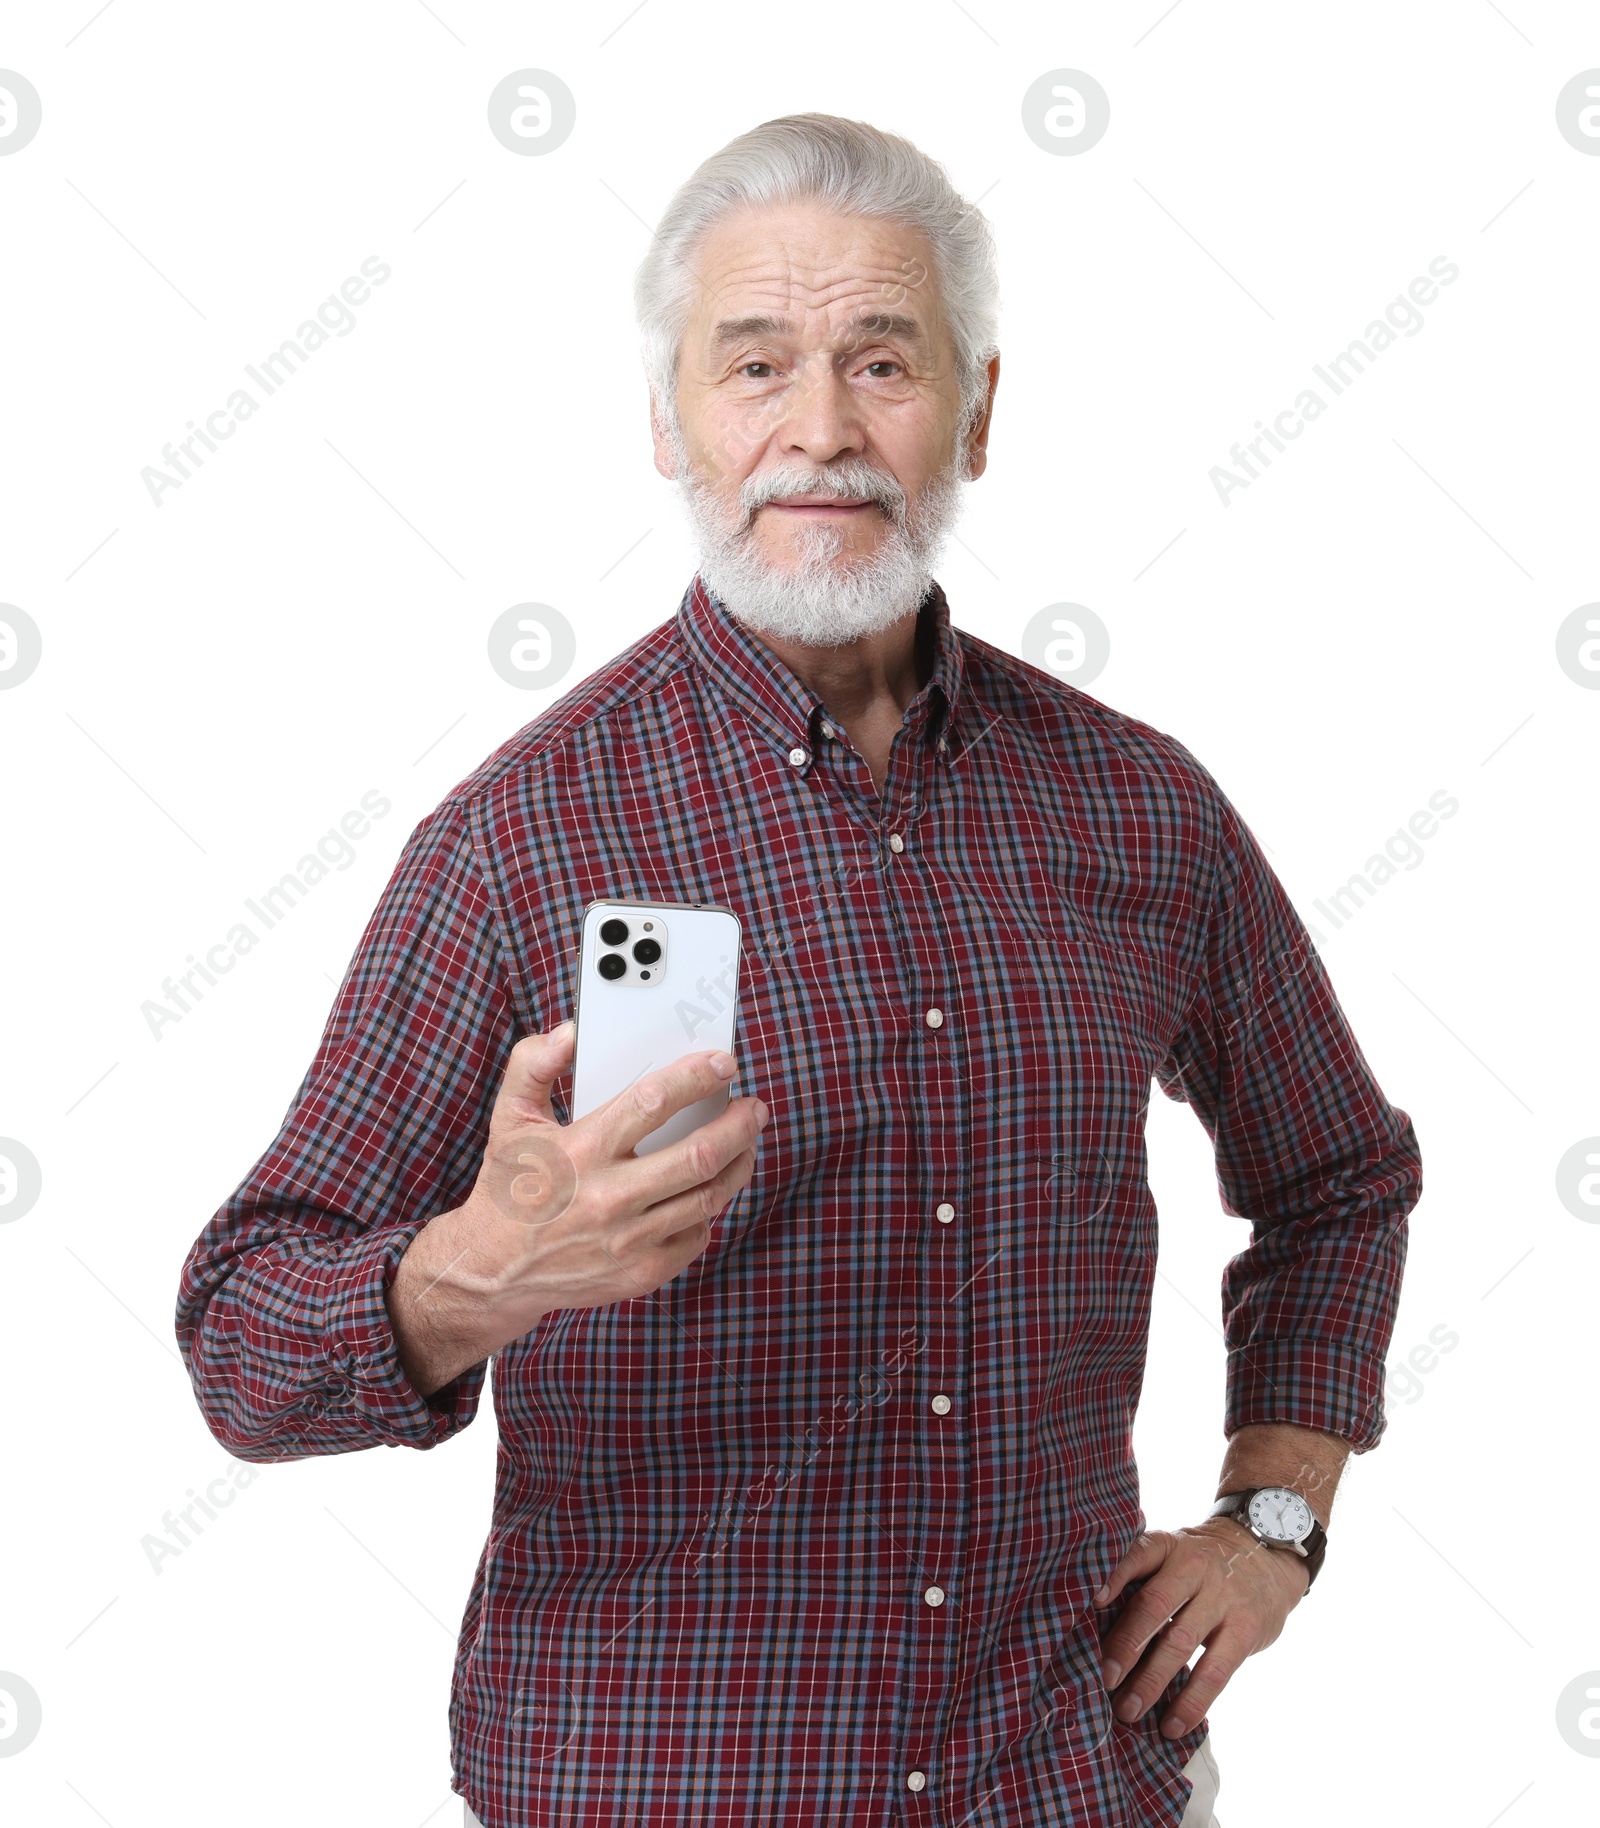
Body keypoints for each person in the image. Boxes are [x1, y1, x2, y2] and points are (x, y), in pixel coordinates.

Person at [176, 113, 1421, 1828]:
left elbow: (1340, 1176)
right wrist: (469, 1274)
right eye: (755, 365)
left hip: (1066, 1777)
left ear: (978, 408)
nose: (821, 432)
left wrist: (1274, 1522)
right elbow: (242, 1340)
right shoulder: (521, 838)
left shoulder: (1142, 809)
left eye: (883, 362)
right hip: (661, 1786)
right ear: (670, 418)